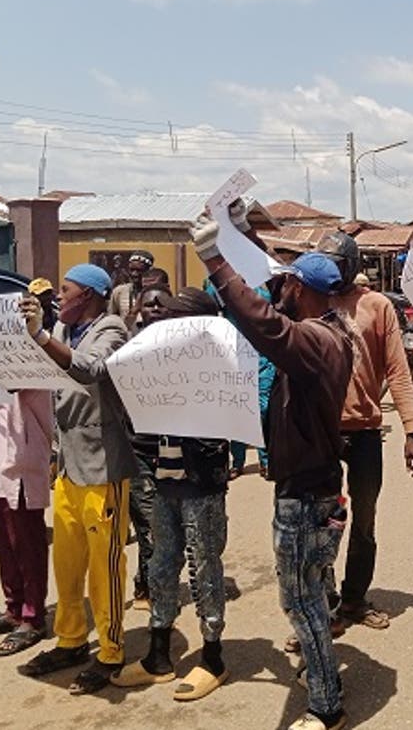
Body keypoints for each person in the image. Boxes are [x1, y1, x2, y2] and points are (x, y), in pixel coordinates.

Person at [195, 211, 356, 730]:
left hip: (306, 496)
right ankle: (323, 677)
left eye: (288, 283)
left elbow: (265, 324)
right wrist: (243, 236)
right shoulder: (329, 331)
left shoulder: (313, 341)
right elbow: (272, 290)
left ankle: (325, 706)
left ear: (304, 292)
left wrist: (217, 262)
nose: (280, 287)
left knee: (301, 601)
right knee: (309, 596)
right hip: (314, 488)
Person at [18, 264, 137, 695]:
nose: (57, 298)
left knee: (105, 568)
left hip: (103, 468)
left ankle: (110, 650)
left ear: (86, 295)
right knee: (67, 565)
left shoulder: (112, 329)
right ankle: (70, 639)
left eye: (63, 291)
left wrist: (40, 336)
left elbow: (90, 370)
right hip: (69, 466)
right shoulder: (66, 331)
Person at [113, 286, 233, 702]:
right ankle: (158, 657)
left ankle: (213, 656)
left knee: (204, 566)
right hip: (164, 478)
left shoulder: (221, 366)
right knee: (162, 563)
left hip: (201, 482)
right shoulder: (160, 359)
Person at [319, 231, 413, 634]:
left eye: (335, 263)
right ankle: (323, 604)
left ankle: (354, 599)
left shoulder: (377, 306)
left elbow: (397, 370)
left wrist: (412, 430)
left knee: (364, 520)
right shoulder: (311, 300)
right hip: (321, 433)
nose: (329, 271)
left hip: (364, 432)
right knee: (321, 522)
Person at [0, 386, 55, 656]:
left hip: (24, 455)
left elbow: (15, 382)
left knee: (27, 541)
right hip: (1, 452)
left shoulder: (32, 351)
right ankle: (14, 608)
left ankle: (33, 616)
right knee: (5, 540)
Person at [128, 283, 172, 609]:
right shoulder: (128, 346)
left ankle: (158, 581)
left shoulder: (183, 348)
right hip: (137, 448)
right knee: (148, 523)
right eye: (149, 304)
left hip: (172, 449)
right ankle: (147, 586)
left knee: (167, 523)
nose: (155, 308)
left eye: (161, 303)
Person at [110, 250, 155, 320]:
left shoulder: (155, 292)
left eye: (139, 270)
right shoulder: (119, 292)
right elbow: (111, 318)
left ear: (149, 270)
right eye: (131, 270)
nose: (134, 274)